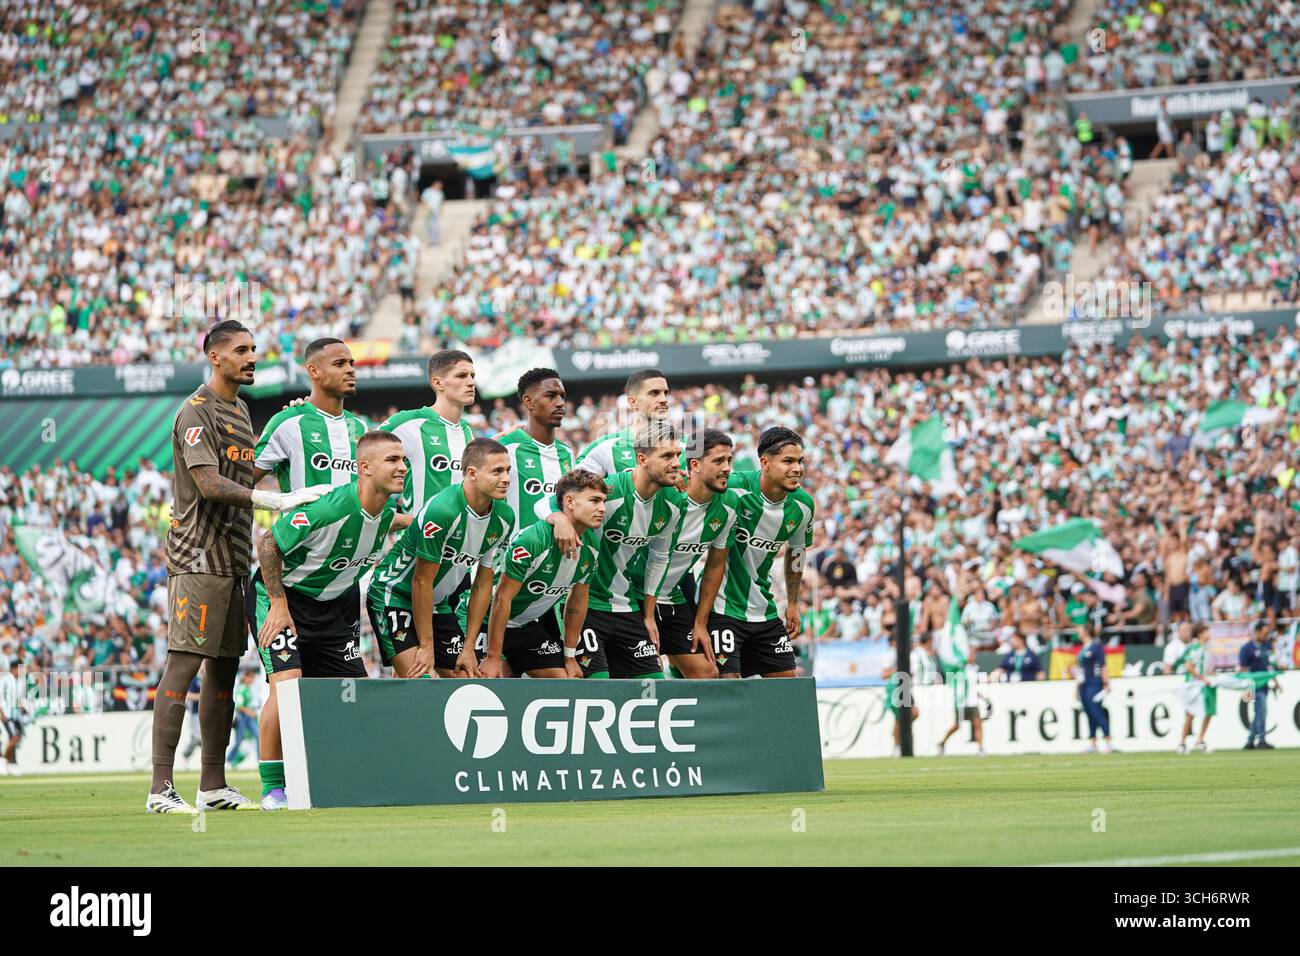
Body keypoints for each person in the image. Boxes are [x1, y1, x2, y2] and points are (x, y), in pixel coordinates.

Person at [148, 320, 328, 814]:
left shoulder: (241, 410)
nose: (252, 357)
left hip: (233, 559)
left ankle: (213, 785)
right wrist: (273, 499)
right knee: (184, 664)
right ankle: (160, 788)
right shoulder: (196, 410)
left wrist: (290, 423)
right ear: (215, 357)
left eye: (254, 349)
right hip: (197, 557)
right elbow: (209, 484)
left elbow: (244, 467)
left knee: (224, 672)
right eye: (242, 350)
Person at [248, 431, 406, 809]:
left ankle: (341, 777)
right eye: (392, 460)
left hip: (336, 608)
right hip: (285, 599)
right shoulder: (329, 509)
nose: (402, 467)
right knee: (287, 690)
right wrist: (278, 603)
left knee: (352, 696)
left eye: (403, 460)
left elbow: (401, 521)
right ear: (364, 468)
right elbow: (267, 543)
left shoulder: (386, 513)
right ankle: (273, 789)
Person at [367, 438, 514, 679]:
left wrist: (469, 648)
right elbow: (421, 581)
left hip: (436, 603)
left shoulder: (505, 518)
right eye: (497, 471)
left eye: (508, 470)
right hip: (394, 594)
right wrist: (427, 647)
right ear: (472, 474)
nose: (506, 478)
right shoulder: (443, 510)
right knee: (420, 679)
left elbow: (483, 584)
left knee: (467, 681)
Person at [553, 420, 683, 679]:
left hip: (627, 605)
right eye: (667, 455)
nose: (677, 463)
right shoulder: (608, 492)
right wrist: (558, 519)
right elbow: (548, 503)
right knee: (598, 688)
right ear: (642, 459)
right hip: (585, 605)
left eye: (678, 455)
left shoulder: (674, 504)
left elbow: (659, 558)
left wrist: (648, 615)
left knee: (653, 687)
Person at [692, 427, 815, 679]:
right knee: (728, 685)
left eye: (800, 461)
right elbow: (695, 489)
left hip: (764, 608)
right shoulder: (733, 488)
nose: (797, 468)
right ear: (765, 463)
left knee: (787, 689)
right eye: (788, 461)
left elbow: (796, 553)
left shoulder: (803, 506)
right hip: (722, 607)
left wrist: (793, 603)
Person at [478, 470, 606, 679]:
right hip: (485, 619)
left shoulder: (592, 547)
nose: (602, 508)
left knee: (565, 682)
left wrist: (570, 657)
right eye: (594, 500)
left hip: (524, 625)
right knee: (489, 680)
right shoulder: (533, 540)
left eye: (603, 501)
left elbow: (577, 602)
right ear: (570, 501)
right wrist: (493, 656)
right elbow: (502, 598)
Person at [643, 429, 737, 678]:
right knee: (649, 676)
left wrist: (700, 623)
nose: (727, 468)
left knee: (708, 673)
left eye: (729, 460)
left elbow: (714, 566)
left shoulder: (728, 507)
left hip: (672, 596)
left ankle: (675, 665)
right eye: (719, 461)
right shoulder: (666, 494)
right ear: (694, 465)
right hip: (634, 595)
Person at [253, 338, 373, 492]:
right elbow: (242, 481)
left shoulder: (360, 426)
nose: (350, 369)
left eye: (351, 363)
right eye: (339, 364)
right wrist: (274, 501)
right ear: (314, 371)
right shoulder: (288, 421)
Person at [380, 350, 478, 515]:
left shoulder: (467, 430)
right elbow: (364, 457)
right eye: (461, 376)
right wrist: (389, 513)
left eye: (472, 376)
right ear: (438, 383)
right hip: (418, 531)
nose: (471, 382)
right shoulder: (408, 423)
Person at [496, 368, 575, 536]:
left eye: (562, 396)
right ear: (529, 402)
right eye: (550, 396)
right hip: (515, 550)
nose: (560, 403)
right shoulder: (504, 448)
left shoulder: (567, 452)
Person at [575, 368, 672, 477]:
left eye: (665, 393)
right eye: (654, 393)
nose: (664, 399)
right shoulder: (606, 446)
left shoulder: (683, 445)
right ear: (633, 402)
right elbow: (573, 484)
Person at [1176, 621, 1215, 753]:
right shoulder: (1195, 648)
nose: (1209, 633)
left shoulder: (1206, 648)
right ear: (1200, 633)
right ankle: (1182, 743)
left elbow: (1205, 666)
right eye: (1206, 631)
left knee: (1209, 712)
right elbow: (1189, 667)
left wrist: (1211, 674)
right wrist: (1202, 677)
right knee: (1190, 714)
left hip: (1203, 683)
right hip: (1193, 684)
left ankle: (1200, 740)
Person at [1238, 622, 1278, 750]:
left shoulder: (1266, 646)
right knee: (1261, 710)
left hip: (1264, 685)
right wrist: (1246, 688)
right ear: (1257, 631)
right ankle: (1261, 739)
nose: (1266, 636)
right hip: (1252, 685)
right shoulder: (1247, 648)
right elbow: (1244, 669)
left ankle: (1250, 740)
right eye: (1265, 633)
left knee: (1259, 711)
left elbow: (1269, 666)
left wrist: (1276, 682)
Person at [1075, 624, 1113, 753]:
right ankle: (1093, 742)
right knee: (1089, 713)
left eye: (1080, 631)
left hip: (1094, 682)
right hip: (1084, 684)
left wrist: (1106, 683)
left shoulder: (1096, 647)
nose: (1078, 633)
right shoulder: (1082, 649)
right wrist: (1077, 688)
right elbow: (1080, 670)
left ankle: (1108, 740)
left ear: (1086, 632)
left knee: (1096, 711)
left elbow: (1103, 666)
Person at [225, 670, 259, 768]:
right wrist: (251, 712)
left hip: (249, 718)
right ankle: (228, 760)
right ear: (246, 677)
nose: (252, 680)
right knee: (238, 741)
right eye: (251, 678)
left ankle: (259, 760)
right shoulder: (242, 689)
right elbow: (239, 706)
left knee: (258, 736)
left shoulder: (248, 688)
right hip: (242, 718)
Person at [0, 659, 22, 775]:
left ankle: (8, 764)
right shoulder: (5, 680)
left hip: (12, 714)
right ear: (14, 668)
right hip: (5, 714)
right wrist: (2, 713)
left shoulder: (16, 681)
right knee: (14, 737)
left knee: (14, 738)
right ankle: (3, 761)